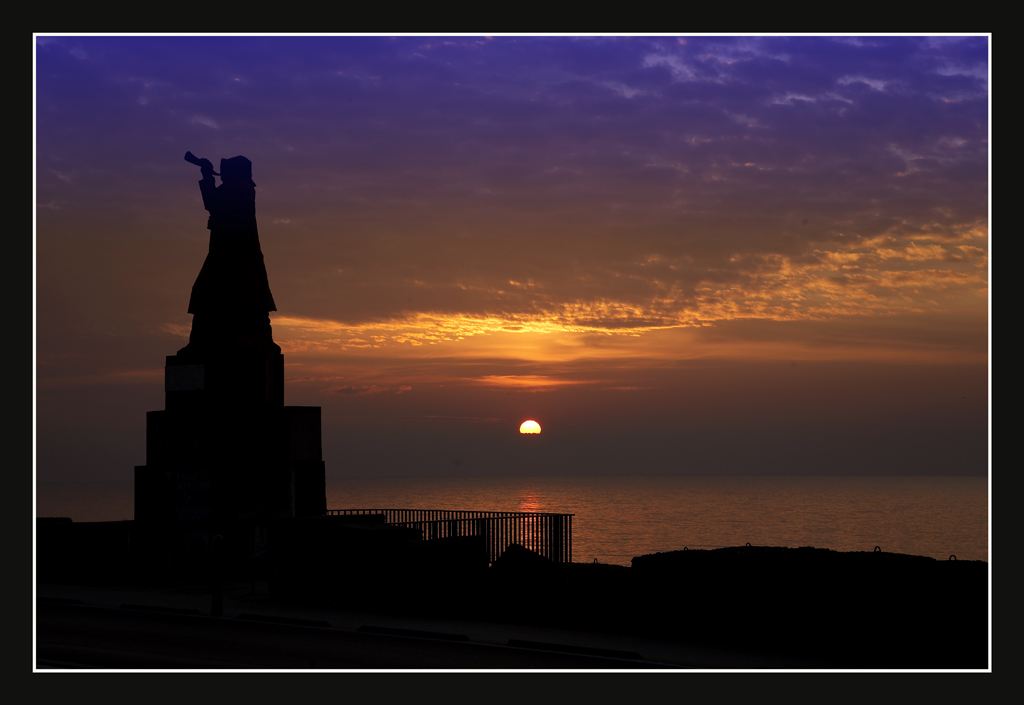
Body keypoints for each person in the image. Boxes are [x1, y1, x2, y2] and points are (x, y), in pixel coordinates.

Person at [178, 155, 280, 357]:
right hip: (223, 253)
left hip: (236, 256)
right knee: (206, 293)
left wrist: (208, 177)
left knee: (229, 294)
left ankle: (234, 337)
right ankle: (204, 340)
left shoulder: (242, 189)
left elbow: (216, 206)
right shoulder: (233, 189)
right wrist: (208, 176)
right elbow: (215, 205)